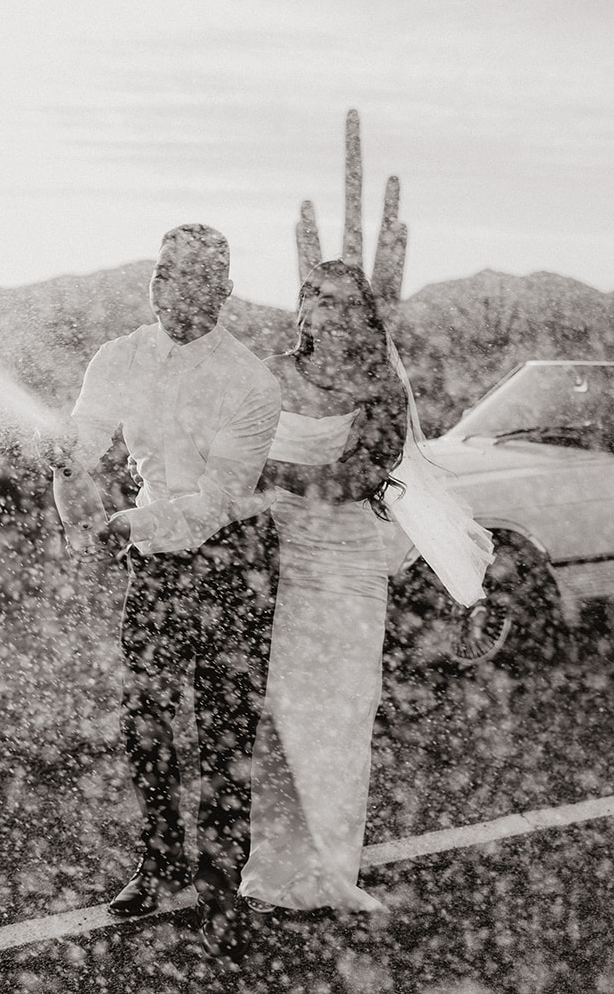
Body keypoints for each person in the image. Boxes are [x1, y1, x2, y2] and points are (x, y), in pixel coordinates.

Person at [65, 223, 281, 961]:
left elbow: (218, 498)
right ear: (153, 281)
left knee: (225, 731)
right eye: (166, 273)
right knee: (147, 722)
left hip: (233, 562)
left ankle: (223, 886)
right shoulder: (117, 358)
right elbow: (84, 435)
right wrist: (66, 471)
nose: (177, 288)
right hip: (155, 565)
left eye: (198, 276)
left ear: (224, 289)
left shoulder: (252, 381)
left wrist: (123, 520)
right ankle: (160, 864)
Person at [236, 259, 414, 914]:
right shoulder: (270, 372)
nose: (327, 311)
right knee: (280, 722)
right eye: (316, 297)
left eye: (342, 302)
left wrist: (270, 471)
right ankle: (276, 866)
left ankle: (329, 866)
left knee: (339, 718)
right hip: (279, 561)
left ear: (364, 313)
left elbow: (361, 475)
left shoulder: (382, 387)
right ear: (302, 306)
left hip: (346, 564)